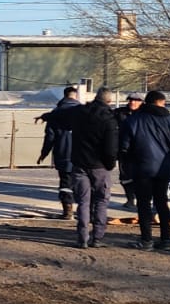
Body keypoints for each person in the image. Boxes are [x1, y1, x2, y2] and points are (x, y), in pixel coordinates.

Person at [45, 86, 119, 247]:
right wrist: (110, 163)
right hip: (100, 166)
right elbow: (111, 146)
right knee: (101, 201)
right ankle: (97, 237)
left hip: (79, 163)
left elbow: (59, 115)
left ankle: (82, 237)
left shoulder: (80, 111)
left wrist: (46, 116)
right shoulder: (109, 119)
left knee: (83, 202)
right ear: (109, 101)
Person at [120, 90, 170, 250]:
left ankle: (146, 239)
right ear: (161, 103)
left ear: (146, 102)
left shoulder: (133, 120)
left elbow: (124, 147)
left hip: (142, 168)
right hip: (164, 168)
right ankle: (165, 239)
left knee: (143, 204)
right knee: (162, 202)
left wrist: (129, 162)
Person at [37, 86, 82, 219]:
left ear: (64, 96)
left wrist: (44, 153)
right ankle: (85, 210)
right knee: (83, 182)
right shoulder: (83, 112)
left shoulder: (55, 113)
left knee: (65, 183)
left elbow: (50, 137)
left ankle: (68, 210)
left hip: (63, 154)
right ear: (76, 96)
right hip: (83, 155)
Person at [115, 91, 145, 212]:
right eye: (131, 100)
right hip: (123, 150)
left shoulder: (145, 114)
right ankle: (130, 198)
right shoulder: (120, 113)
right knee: (125, 176)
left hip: (140, 150)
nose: (132, 102)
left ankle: (141, 199)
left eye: (136, 100)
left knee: (140, 176)